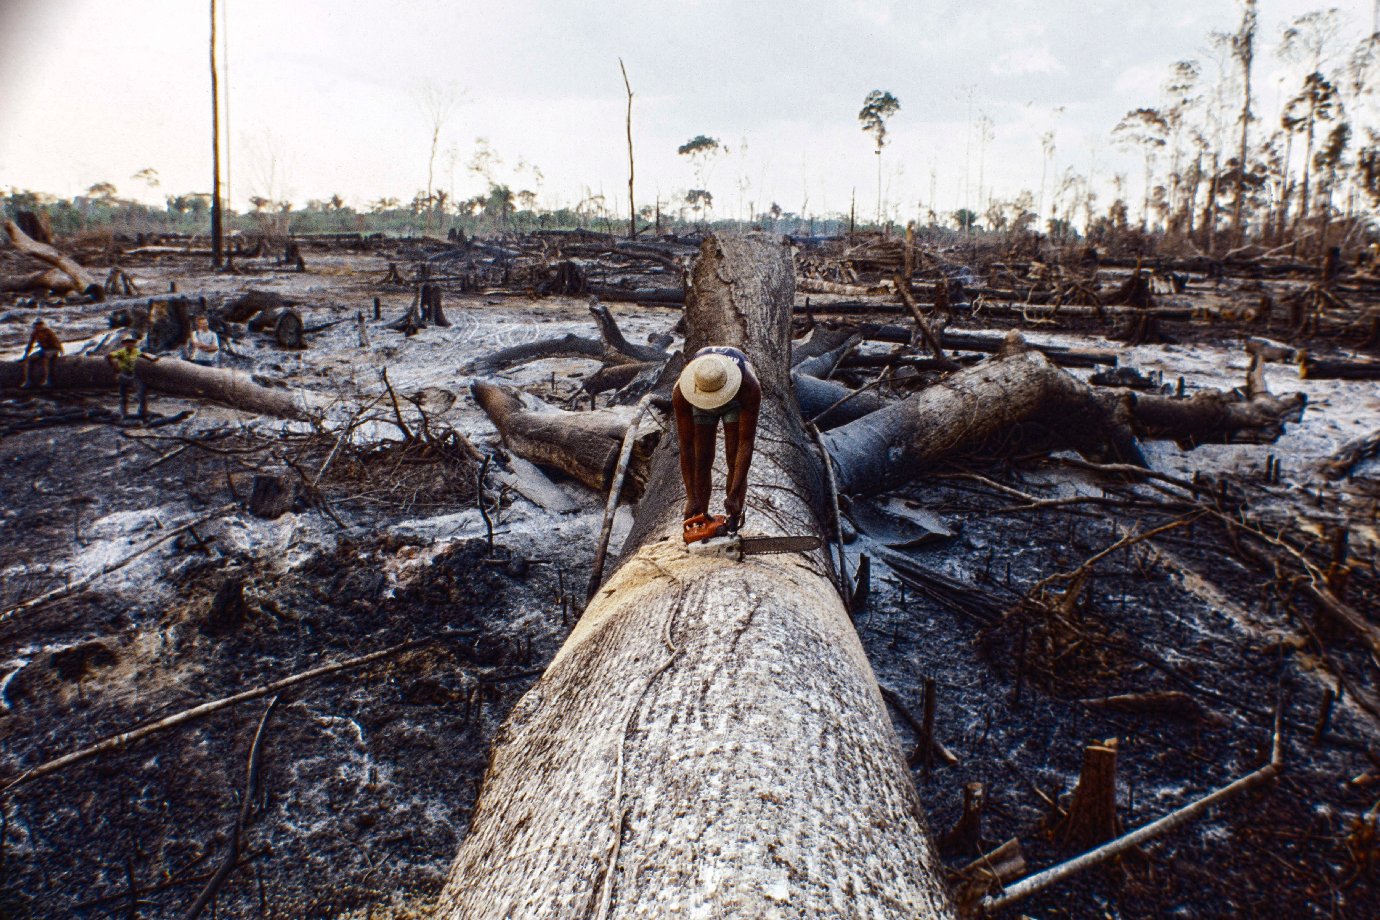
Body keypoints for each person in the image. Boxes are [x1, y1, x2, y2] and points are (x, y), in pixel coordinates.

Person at [672, 346, 761, 544]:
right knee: (702, 459)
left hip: (734, 399)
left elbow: (745, 444)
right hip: (699, 398)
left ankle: (732, 523)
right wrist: (690, 496)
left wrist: (734, 494)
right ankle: (700, 521)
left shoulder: (749, 386)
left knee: (732, 454)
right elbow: (686, 446)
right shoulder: (681, 392)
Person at [106, 334, 160, 419]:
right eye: (128, 343)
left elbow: (142, 355)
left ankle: (142, 411)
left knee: (142, 390)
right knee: (123, 395)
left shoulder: (135, 351)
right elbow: (108, 357)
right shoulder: (121, 352)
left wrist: (151, 359)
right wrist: (115, 368)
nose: (130, 344)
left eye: (131, 343)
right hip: (123, 374)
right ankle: (123, 414)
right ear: (124, 344)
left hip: (132, 374)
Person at [19, 318, 63, 388]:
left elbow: (57, 342)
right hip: (44, 350)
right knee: (30, 359)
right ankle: (29, 381)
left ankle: (49, 381)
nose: (38, 326)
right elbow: (30, 344)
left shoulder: (48, 332)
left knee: (46, 360)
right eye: (36, 325)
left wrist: (60, 351)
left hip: (53, 349)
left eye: (39, 324)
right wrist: (26, 354)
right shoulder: (34, 333)